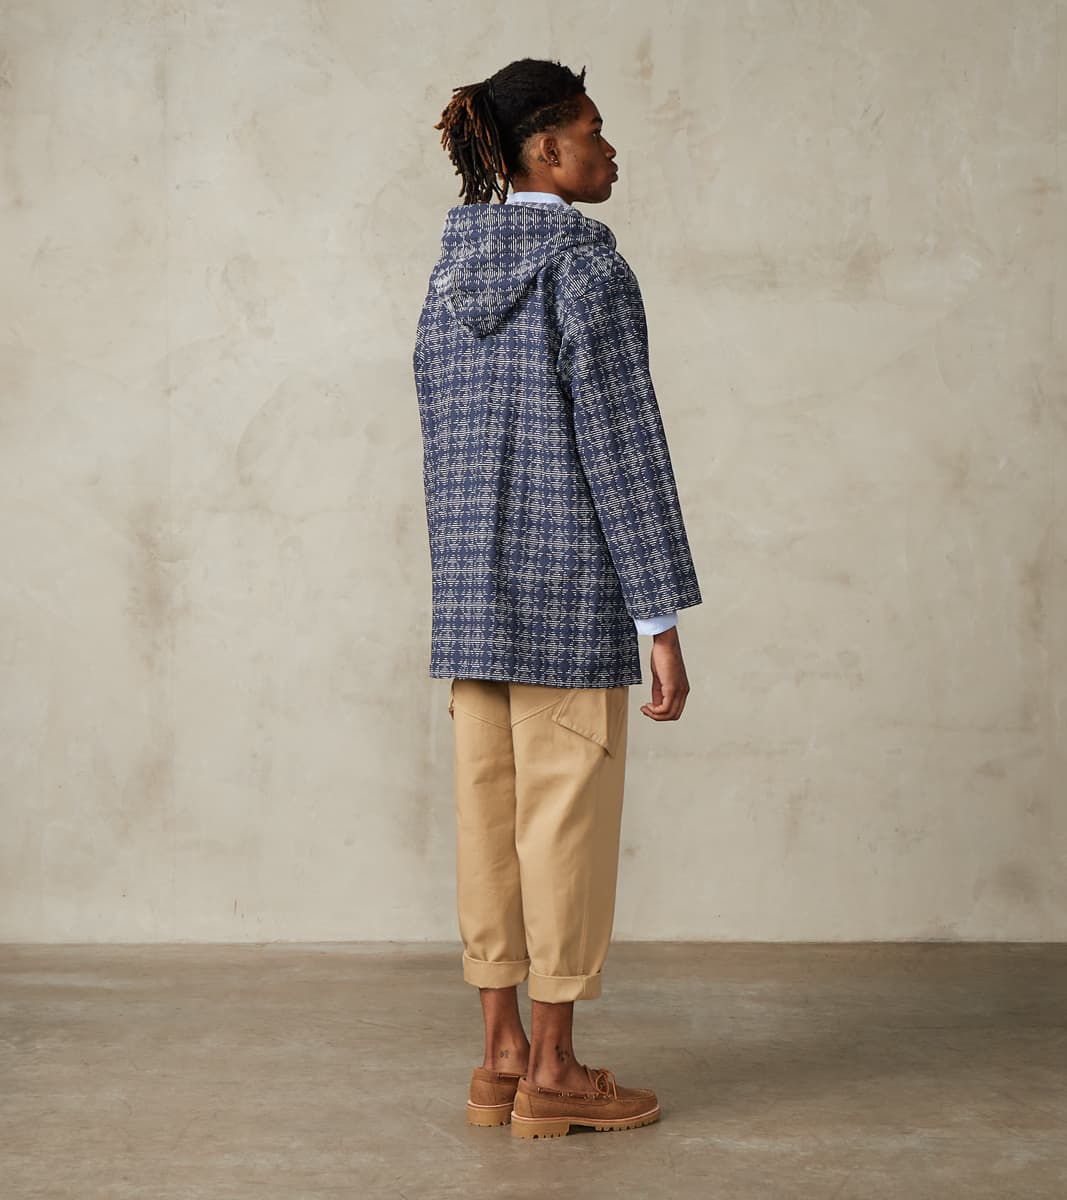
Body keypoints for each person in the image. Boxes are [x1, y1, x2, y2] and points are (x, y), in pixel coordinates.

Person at [413, 57, 701, 1138]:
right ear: (545, 150)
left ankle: (497, 1057)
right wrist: (658, 617)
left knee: (487, 827)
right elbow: (624, 449)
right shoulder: (585, 271)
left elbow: (444, 447)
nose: (608, 149)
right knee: (561, 832)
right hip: (570, 603)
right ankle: (555, 1071)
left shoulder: (446, 279)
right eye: (592, 130)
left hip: (470, 607)